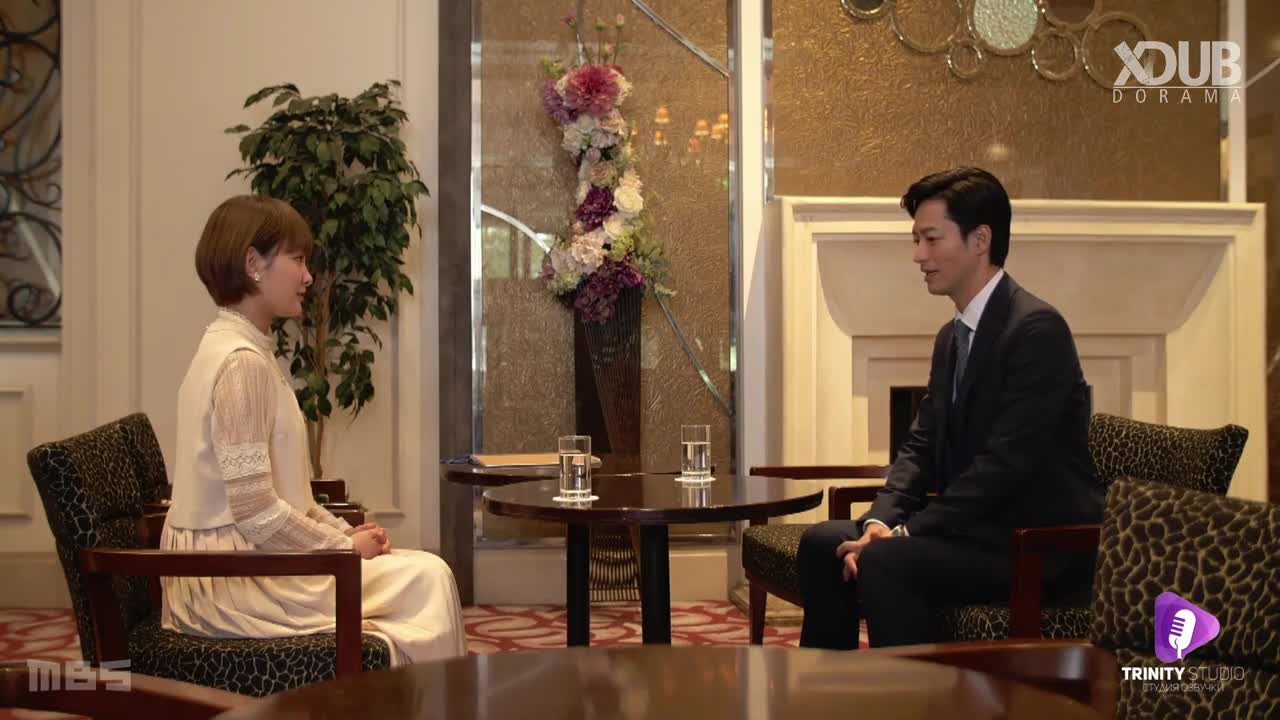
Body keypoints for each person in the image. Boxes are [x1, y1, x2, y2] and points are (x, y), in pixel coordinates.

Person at [797, 167, 1103, 650]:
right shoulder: (952, 338)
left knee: (885, 561)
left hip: (1032, 543)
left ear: (980, 240)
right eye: (916, 240)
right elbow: (920, 445)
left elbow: (1004, 467)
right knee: (822, 544)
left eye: (931, 239)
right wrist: (880, 520)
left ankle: (920, 690)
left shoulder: (1036, 331)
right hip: (975, 531)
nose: (918, 255)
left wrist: (905, 533)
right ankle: (828, 686)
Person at [162, 194, 466, 664]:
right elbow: (256, 512)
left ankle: (398, 693)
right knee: (428, 579)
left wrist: (345, 531)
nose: (308, 276)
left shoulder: (240, 348)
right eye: (298, 260)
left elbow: (284, 498)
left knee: (422, 570)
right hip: (232, 582)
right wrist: (344, 547)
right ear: (253, 264)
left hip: (242, 562)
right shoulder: (241, 363)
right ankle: (411, 697)